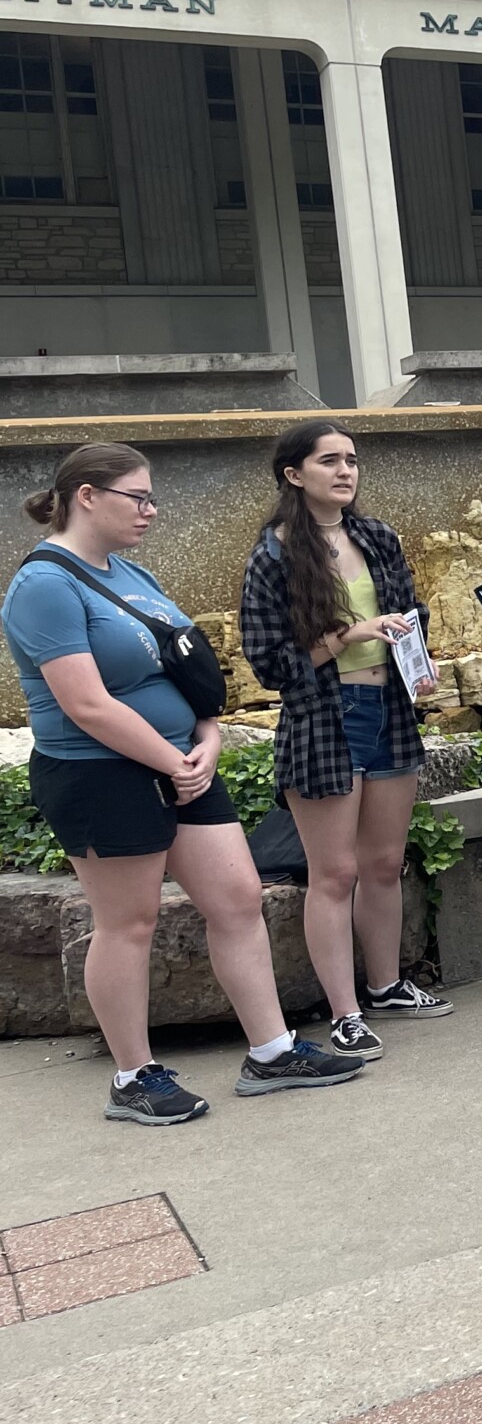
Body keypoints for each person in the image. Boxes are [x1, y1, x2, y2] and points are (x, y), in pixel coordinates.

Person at [4, 443, 367, 1122]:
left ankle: (271, 1050)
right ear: (87, 495)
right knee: (127, 923)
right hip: (100, 776)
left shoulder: (130, 573)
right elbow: (86, 704)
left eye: (151, 497)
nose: (151, 510)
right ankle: (133, 1077)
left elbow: (184, 666)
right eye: (136, 497)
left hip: (183, 764)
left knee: (236, 899)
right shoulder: (46, 585)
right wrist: (172, 760)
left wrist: (207, 734)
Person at [239, 421, 452, 1063]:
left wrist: (418, 663)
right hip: (325, 715)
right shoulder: (274, 554)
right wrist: (348, 635)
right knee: (334, 873)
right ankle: (344, 1012)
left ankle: (386, 986)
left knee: (384, 863)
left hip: (388, 705)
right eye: (329, 461)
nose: (345, 471)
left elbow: (407, 615)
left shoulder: (376, 536)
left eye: (352, 460)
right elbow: (269, 665)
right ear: (293, 474)